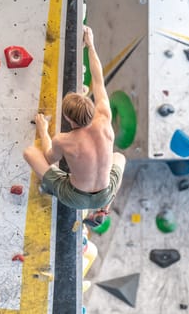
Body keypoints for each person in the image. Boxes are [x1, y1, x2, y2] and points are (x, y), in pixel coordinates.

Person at [23, 26, 126, 227]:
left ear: (70, 120)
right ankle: (105, 208)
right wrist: (91, 45)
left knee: (29, 153)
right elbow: (98, 81)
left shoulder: (65, 140)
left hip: (75, 197)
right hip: (104, 194)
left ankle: (53, 189)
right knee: (120, 158)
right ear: (91, 108)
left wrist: (43, 130)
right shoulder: (104, 116)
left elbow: (48, 158)